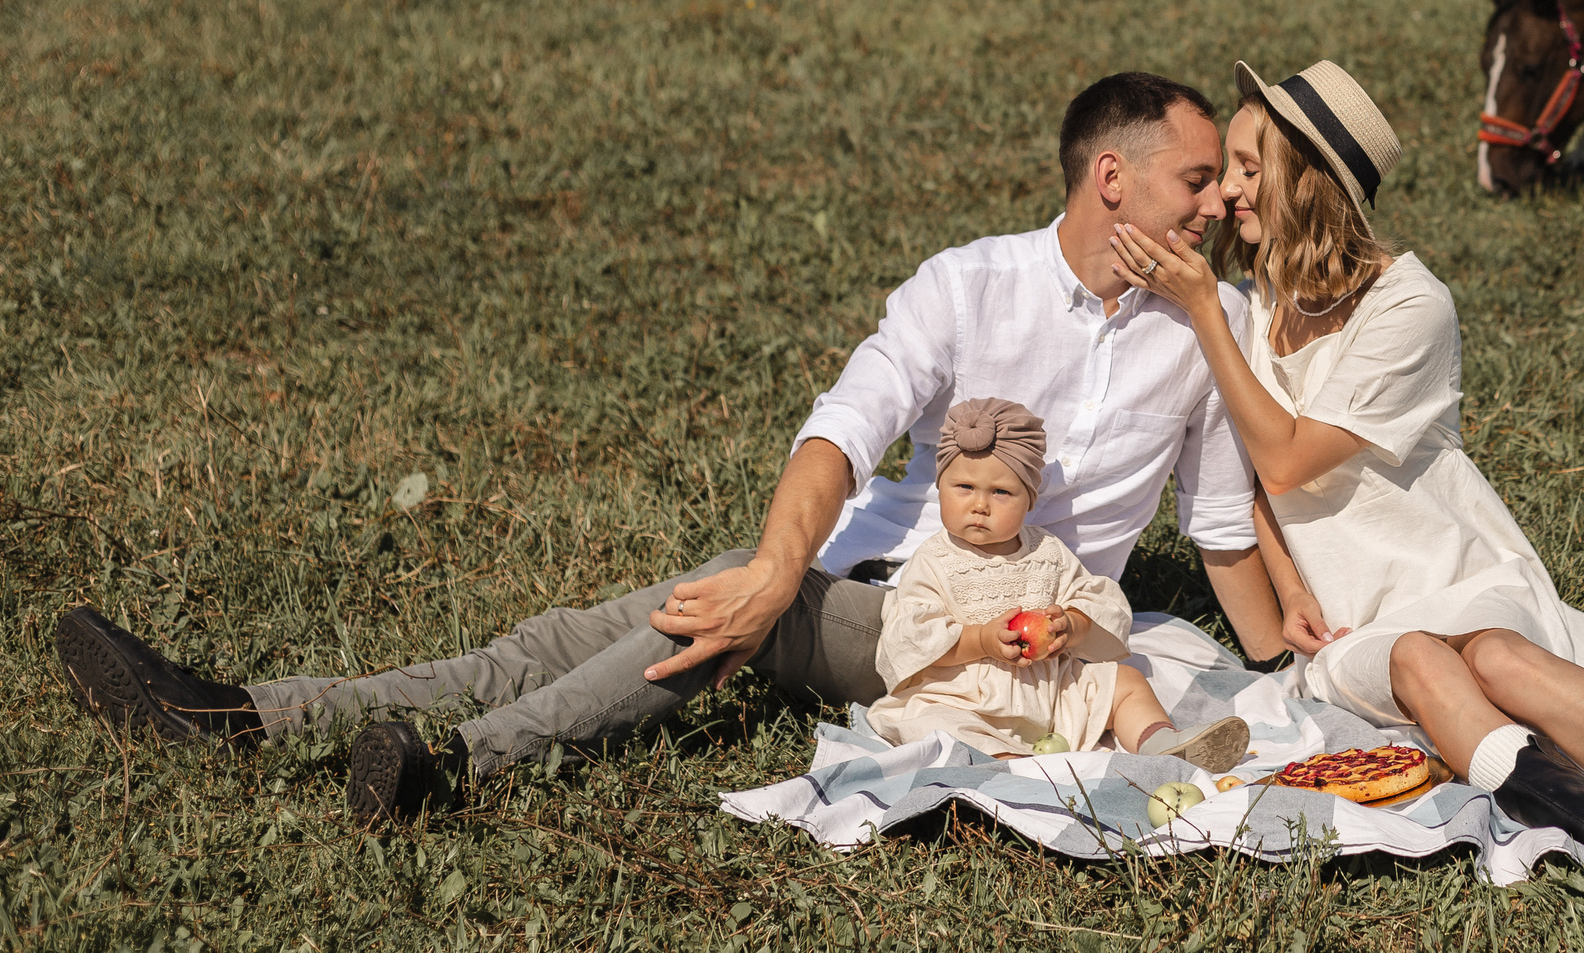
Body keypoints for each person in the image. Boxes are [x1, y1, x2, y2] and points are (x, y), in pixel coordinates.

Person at [54, 71, 1284, 826]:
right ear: (1110, 179)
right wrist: (770, 564)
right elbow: (841, 430)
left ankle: (422, 757)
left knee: (717, 620)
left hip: (990, 632)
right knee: (608, 626)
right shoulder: (968, 285)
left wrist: (1287, 656)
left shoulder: (1213, 330)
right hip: (866, 575)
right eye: (1196, 179)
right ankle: (258, 715)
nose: (1219, 204)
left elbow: (1223, 529)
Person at [1108, 59, 1584, 895]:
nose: (1229, 194)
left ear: (1307, 178)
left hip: (1455, 570)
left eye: (1251, 168)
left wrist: (1206, 308)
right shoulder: (1256, 301)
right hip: (1361, 621)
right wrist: (1287, 588)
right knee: (1424, 661)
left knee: (1496, 652)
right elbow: (1253, 472)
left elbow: (1287, 454)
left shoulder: (1409, 305)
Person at [867, 397, 1248, 769]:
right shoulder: (934, 560)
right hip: (965, 696)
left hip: (1050, 691)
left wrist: (1072, 625)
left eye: (1001, 492)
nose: (980, 504)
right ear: (940, 488)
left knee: (1125, 682)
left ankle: (1161, 743)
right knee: (933, 722)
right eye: (964, 487)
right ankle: (1006, 765)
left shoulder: (1046, 551)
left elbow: (1095, 598)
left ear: (1029, 499)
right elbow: (913, 637)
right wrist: (982, 640)